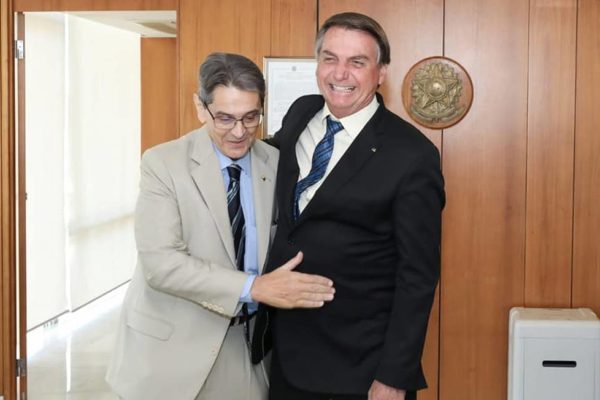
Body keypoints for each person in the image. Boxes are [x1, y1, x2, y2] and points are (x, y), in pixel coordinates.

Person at [106, 52, 335, 400]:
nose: (239, 132)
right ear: (200, 107)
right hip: (168, 356)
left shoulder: (276, 163)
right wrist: (253, 287)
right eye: (225, 119)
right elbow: (161, 264)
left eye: (250, 117)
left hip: (247, 352)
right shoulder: (162, 163)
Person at [251, 12, 445, 400]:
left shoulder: (412, 155)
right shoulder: (301, 113)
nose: (340, 74)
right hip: (284, 354)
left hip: (359, 367)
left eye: (357, 62)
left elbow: (418, 275)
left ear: (381, 72)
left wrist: (394, 376)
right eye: (329, 58)